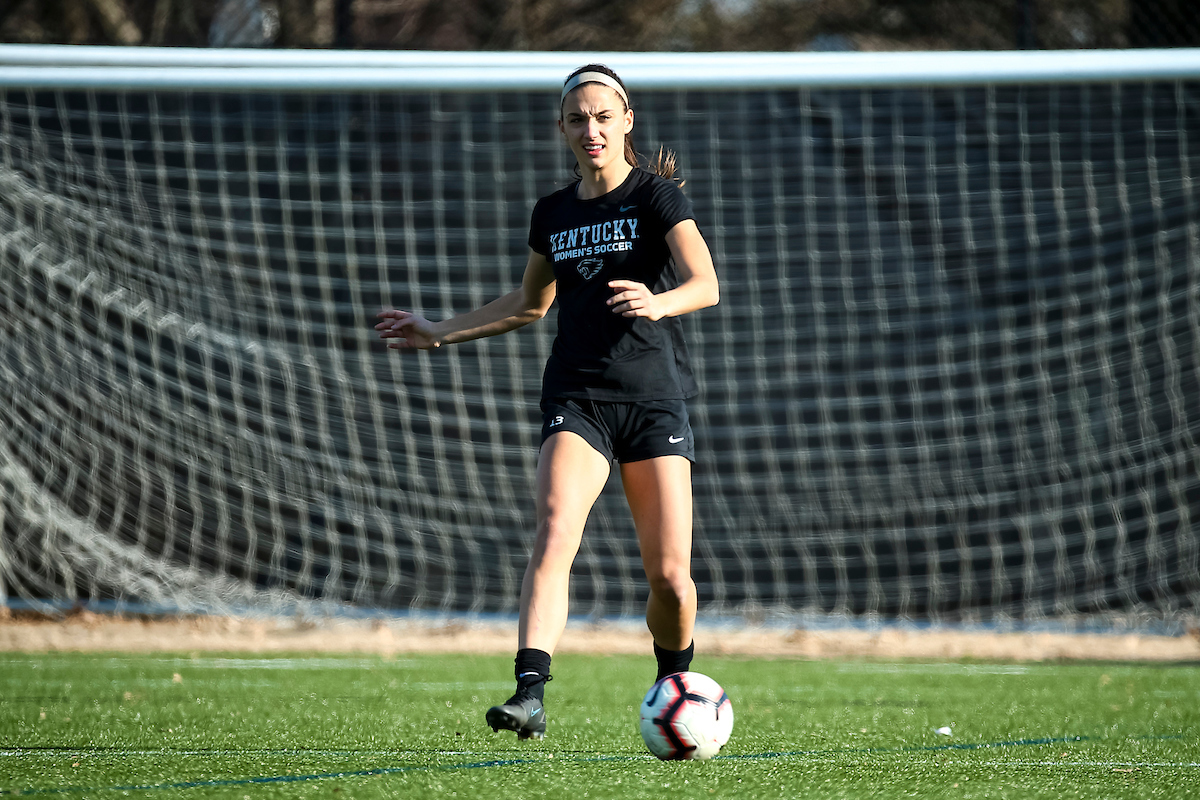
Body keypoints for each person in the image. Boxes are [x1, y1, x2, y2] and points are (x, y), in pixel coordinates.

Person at [376, 63, 719, 741]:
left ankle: (672, 681)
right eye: (576, 119)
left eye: (601, 116)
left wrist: (658, 301)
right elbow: (532, 304)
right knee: (556, 526)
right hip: (578, 396)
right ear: (560, 128)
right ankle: (529, 690)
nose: (589, 130)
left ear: (625, 120)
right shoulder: (553, 213)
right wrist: (440, 331)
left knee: (673, 580)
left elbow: (704, 283)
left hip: (653, 400)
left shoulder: (655, 198)